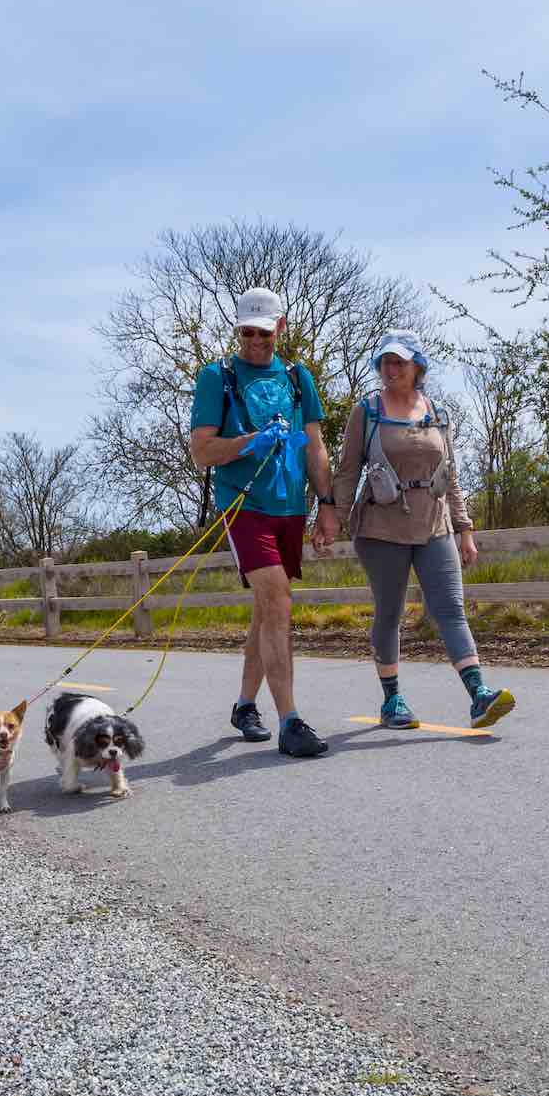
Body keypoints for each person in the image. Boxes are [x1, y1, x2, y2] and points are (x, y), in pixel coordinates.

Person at [314, 331, 515, 731]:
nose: (390, 369)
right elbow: (348, 470)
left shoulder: (437, 411)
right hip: (381, 527)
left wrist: (465, 529)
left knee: (451, 609)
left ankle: (479, 695)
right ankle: (393, 701)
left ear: (417, 367)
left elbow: (451, 476)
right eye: (385, 362)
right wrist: (331, 516)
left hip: (434, 525)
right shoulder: (367, 411)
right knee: (390, 613)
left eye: (399, 362)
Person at [188, 287, 336, 758]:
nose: (256, 341)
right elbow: (201, 451)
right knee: (276, 597)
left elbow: (315, 446)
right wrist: (247, 442)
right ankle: (290, 720)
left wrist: (326, 504)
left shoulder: (298, 378)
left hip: (289, 506)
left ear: (281, 328)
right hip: (243, 504)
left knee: (266, 608)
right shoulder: (217, 377)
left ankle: (244, 704)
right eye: (247, 332)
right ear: (237, 330)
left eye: (264, 333)